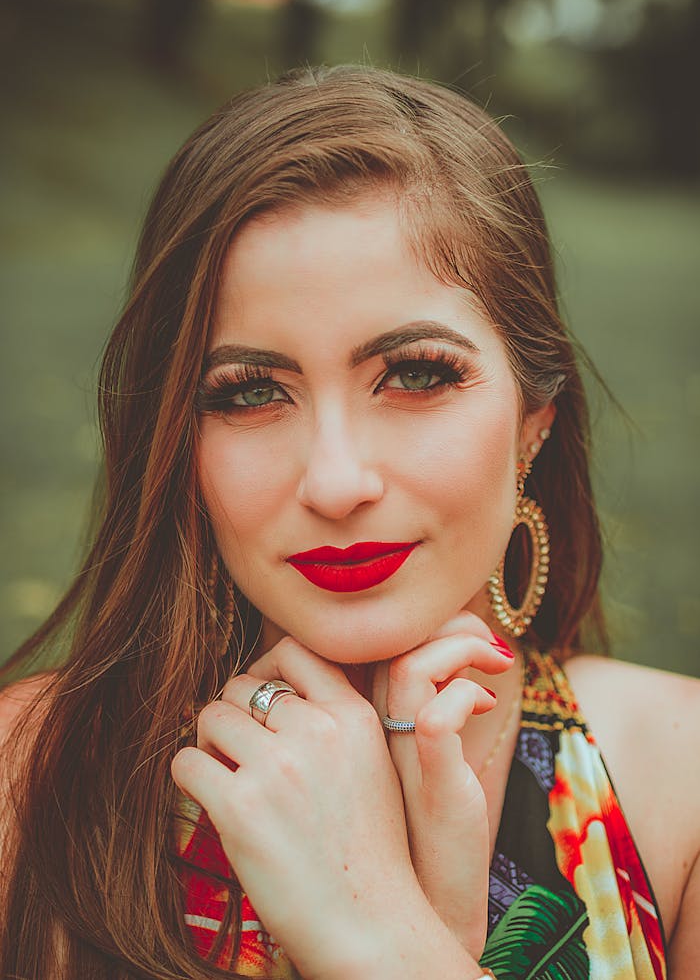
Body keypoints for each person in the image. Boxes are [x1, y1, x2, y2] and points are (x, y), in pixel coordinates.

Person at [0, 65, 697, 980]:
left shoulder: (678, 787)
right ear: (176, 437)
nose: (335, 480)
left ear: (534, 421)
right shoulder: (27, 782)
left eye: (415, 375)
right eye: (249, 392)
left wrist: (392, 943)